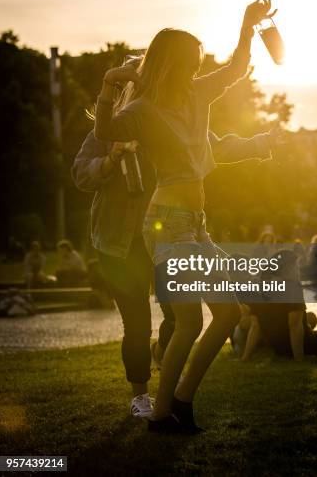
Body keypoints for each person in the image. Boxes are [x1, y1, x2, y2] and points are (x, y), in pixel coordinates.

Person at [94, 0, 275, 432]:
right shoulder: (142, 110)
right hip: (167, 224)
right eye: (191, 61)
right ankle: (161, 414)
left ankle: (182, 400)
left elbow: (235, 68)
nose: (197, 69)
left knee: (229, 313)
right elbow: (105, 133)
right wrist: (107, 85)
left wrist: (248, 25)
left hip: (196, 223)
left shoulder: (198, 93)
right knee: (191, 320)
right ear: (172, 63)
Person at [73, 115, 280, 420]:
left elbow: (215, 147)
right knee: (138, 322)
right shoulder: (105, 131)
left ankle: (162, 358)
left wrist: (261, 142)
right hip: (118, 243)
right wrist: (110, 159)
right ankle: (140, 396)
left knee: (176, 315)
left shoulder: (169, 121)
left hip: (161, 234)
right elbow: (81, 175)